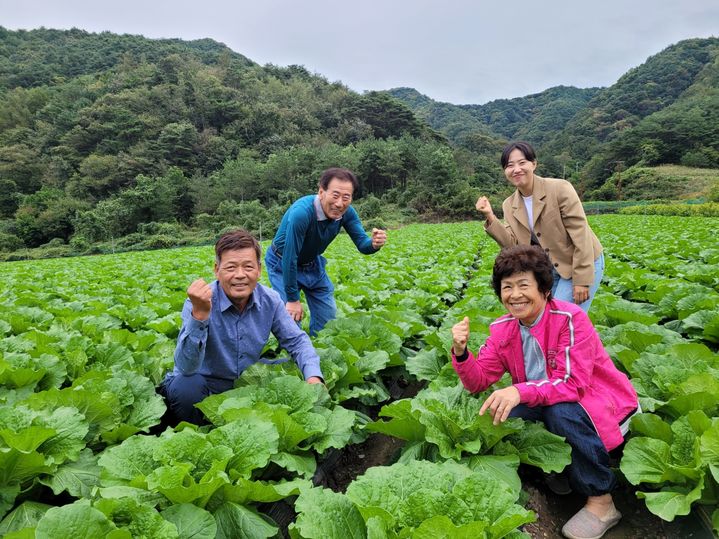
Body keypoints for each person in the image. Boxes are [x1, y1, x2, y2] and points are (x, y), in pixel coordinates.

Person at [450, 245, 638, 539]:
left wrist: (518, 390)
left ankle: (602, 500)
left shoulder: (570, 319)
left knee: (559, 410)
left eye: (524, 285)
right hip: (546, 398)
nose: (515, 295)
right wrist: (461, 353)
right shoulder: (503, 329)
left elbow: (572, 385)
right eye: (507, 287)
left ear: (545, 288)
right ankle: (556, 468)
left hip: (596, 402)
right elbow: (479, 381)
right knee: (503, 411)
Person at [163, 229, 324, 424]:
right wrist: (200, 315)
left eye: (248, 267)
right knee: (185, 387)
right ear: (217, 270)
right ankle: (198, 428)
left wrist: (313, 376)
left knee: (298, 370)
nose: (240, 275)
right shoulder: (199, 302)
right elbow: (186, 366)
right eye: (231, 268)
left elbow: (296, 341)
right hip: (207, 385)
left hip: (246, 382)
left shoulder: (270, 300)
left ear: (259, 270)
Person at [476, 141, 604, 312]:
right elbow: (513, 245)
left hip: (580, 262)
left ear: (533, 164)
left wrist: (581, 279)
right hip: (548, 270)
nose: (516, 169)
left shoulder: (559, 189)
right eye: (510, 165)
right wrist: (489, 216)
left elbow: (581, 235)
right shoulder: (509, 204)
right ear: (505, 171)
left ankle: (583, 339)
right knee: (544, 318)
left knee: (561, 317)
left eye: (522, 163)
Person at [266, 167, 387, 335]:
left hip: (312, 263)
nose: (339, 203)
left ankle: (318, 353)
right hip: (282, 262)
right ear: (321, 192)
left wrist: (374, 244)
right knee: (290, 323)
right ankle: (292, 356)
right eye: (335, 195)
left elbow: (362, 244)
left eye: (346, 197)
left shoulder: (347, 213)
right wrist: (293, 299)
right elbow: (290, 257)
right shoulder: (302, 213)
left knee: (327, 323)